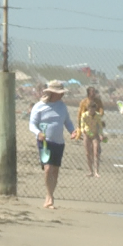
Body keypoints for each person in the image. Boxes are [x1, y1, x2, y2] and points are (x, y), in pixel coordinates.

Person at [29, 80, 76, 209]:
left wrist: (73, 131)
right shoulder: (39, 106)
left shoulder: (62, 106)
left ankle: (50, 195)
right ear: (51, 93)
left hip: (59, 143)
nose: (61, 95)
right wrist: (38, 133)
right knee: (48, 168)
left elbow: (67, 122)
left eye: (62, 93)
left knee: (55, 170)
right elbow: (32, 124)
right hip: (45, 141)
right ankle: (49, 197)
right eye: (59, 93)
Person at [73, 101, 104, 177]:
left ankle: (96, 171)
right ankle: (90, 171)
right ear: (88, 109)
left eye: (93, 110)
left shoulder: (98, 116)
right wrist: (83, 131)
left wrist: (100, 134)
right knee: (88, 153)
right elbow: (82, 125)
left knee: (96, 152)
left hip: (95, 134)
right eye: (90, 110)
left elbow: (100, 126)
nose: (91, 111)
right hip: (87, 134)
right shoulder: (84, 115)